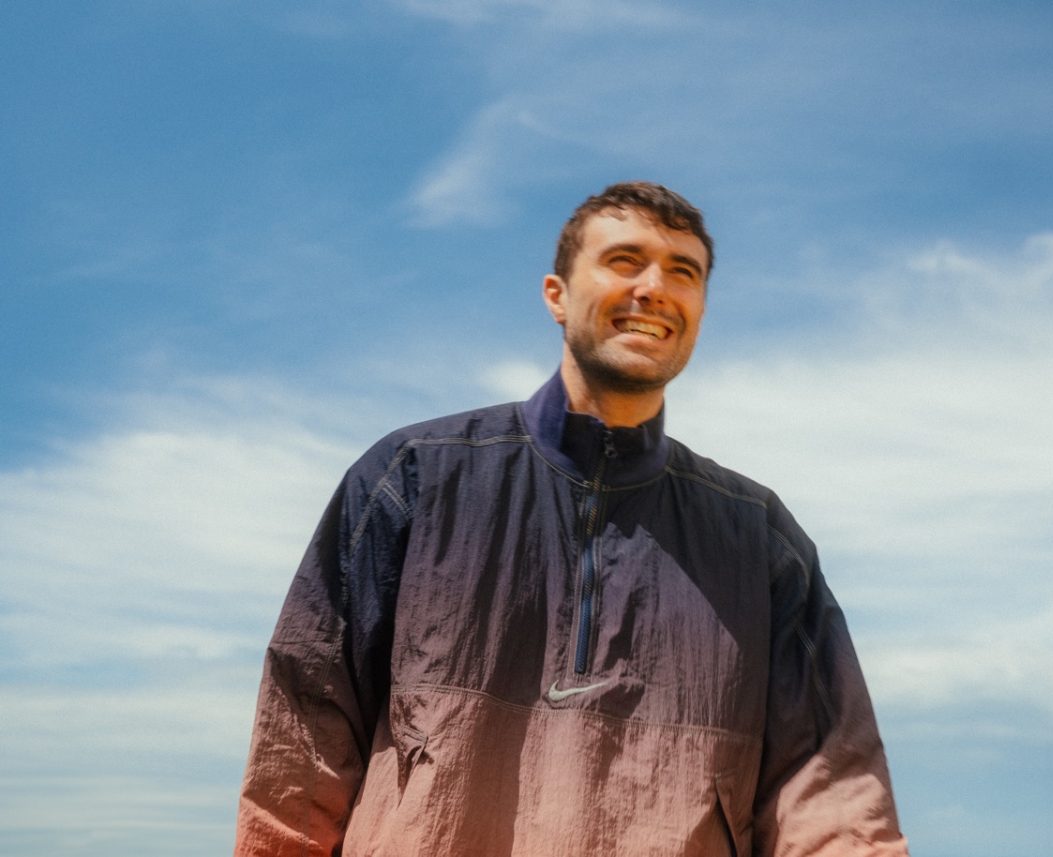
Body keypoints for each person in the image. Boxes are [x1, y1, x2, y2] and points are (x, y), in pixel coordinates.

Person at [234, 182, 909, 856]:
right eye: (625, 260)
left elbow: (831, 799)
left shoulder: (760, 538)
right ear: (556, 294)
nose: (655, 288)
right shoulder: (414, 478)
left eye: (684, 271)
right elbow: (302, 749)